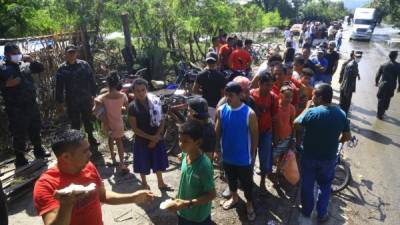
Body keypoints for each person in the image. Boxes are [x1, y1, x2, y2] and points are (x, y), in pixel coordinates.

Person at [33, 129, 155, 225]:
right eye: (85, 151)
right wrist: (66, 204)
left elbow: (102, 195)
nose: (90, 154)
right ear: (65, 157)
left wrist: (132, 197)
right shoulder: (46, 185)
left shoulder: (88, 166)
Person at [294, 84, 351, 223]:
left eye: (313, 95)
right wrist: (337, 142)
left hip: (309, 157)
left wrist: (308, 107)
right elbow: (347, 136)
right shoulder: (341, 114)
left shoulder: (313, 112)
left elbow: (296, 123)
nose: (312, 97)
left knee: (307, 185)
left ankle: (307, 211)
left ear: (319, 97)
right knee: (325, 186)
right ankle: (322, 214)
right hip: (329, 158)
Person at [0, 43, 50, 167]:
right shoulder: (2, 68)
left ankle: (39, 150)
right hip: (15, 108)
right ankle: (20, 158)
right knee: (19, 133)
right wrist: (6, 85)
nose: (17, 55)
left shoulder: (25, 65)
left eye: (18, 52)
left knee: (35, 128)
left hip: (31, 104)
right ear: (7, 54)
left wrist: (32, 60)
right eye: (14, 53)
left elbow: (40, 68)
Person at [215, 82, 258, 221]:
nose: (228, 98)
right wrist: (217, 151)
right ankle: (234, 199)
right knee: (231, 180)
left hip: (243, 158)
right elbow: (217, 133)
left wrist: (251, 154)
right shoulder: (221, 110)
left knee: (247, 184)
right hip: (227, 156)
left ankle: (249, 205)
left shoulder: (249, 113)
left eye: (231, 95)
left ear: (240, 95)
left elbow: (255, 135)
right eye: (226, 95)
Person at [169, 120, 216, 225]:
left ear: (198, 142)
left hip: (198, 217)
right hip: (182, 212)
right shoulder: (186, 155)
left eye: (185, 141)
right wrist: (178, 198)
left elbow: (212, 195)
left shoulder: (204, 166)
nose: (181, 144)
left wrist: (187, 203)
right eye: (180, 140)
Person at [128, 78, 169, 190]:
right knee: (142, 164)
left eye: (143, 90)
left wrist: (156, 137)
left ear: (147, 89)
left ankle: (161, 183)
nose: (141, 93)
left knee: (158, 162)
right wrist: (151, 138)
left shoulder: (155, 101)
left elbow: (162, 119)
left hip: (156, 137)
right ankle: (144, 184)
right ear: (134, 92)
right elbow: (135, 129)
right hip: (142, 140)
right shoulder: (132, 107)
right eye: (137, 91)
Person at [55, 45, 99, 148]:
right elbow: (59, 87)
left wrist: (94, 95)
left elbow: (92, 80)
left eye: (73, 52)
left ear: (76, 53)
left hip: (85, 98)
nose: (72, 54)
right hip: (71, 100)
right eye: (69, 53)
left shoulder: (84, 65)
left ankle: (91, 138)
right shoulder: (62, 69)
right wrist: (59, 103)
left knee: (87, 119)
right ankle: (77, 141)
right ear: (65, 54)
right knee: (75, 122)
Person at [94, 71, 129, 172]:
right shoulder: (123, 96)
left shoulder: (103, 97)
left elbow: (95, 109)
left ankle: (113, 158)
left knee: (110, 139)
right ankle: (122, 163)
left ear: (107, 83)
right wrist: (120, 108)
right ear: (118, 83)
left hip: (107, 123)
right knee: (119, 142)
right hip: (118, 123)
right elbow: (126, 110)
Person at [250, 72, 279, 193]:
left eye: (271, 85)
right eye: (267, 85)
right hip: (251, 132)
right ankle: (249, 180)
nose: (269, 88)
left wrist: (275, 137)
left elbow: (274, 117)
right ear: (259, 83)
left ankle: (262, 182)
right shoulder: (251, 95)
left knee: (265, 158)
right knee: (250, 157)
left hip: (266, 132)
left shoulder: (273, 97)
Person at [193, 52, 226, 119]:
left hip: (204, 106)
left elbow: (194, 90)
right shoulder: (220, 76)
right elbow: (223, 94)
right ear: (217, 61)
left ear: (206, 62)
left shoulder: (200, 74)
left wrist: (204, 91)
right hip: (216, 106)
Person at [187, 97, 216, 162]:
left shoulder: (207, 133)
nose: (187, 114)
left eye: (189, 111)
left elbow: (208, 158)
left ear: (195, 113)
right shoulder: (198, 126)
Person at [273, 85, 296, 161]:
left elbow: (292, 124)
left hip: (286, 137)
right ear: (280, 95)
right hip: (276, 136)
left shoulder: (292, 108)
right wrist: (275, 137)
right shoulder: (275, 106)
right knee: (272, 155)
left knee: (283, 156)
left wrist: (292, 139)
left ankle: (278, 171)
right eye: (287, 96)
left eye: (291, 97)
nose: (289, 99)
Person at [375, 51, 400, 120]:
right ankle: (383, 112)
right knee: (387, 99)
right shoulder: (398, 66)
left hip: (382, 85)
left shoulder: (383, 64)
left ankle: (379, 114)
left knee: (380, 100)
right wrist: (399, 87)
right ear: (395, 57)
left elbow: (378, 75)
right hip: (391, 86)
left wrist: (376, 82)